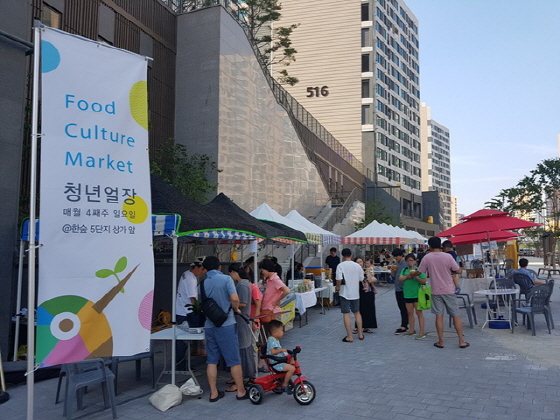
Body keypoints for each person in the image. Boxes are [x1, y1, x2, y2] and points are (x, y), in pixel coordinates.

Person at [408, 237, 469, 349]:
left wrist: (412, 274)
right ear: (440, 245)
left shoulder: (427, 257)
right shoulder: (448, 256)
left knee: (439, 316)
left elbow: (420, 271)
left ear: (429, 246)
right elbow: (458, 270)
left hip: (436, 291)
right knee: (455, 315)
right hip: (449, 290)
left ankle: (441, 341)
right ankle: (461, 341)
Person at [201, 256, 248, 402]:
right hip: (226, 324)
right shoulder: (226, 280)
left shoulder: (201, 284)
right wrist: (236, 309)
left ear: (205, 269)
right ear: (219, 267)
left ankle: (213, 393)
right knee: (233, 359)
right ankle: (240, 391)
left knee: (212, 360)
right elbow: (234, 299)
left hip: (209, 325)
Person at [226, 263, 256, 391]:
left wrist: (232, 303)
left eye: (231, 274)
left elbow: (242, 303)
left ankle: (242, 379)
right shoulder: (243, 283)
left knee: (243, 348)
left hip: (242, 320)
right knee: (241, 347)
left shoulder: (242, 284)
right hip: (241, 320)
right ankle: (238, 377)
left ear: (233, 272)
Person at [175, 259, 205, 370]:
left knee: (183, 340)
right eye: (202, 269)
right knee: (182, 341)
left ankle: (182, 363)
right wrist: (199, 310)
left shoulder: (187, 274)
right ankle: (181, 365)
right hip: (185, 312)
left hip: (181, 310)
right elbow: (192, 299)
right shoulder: (191, 280)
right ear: (196, 268)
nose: (203, 272)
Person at [335, 248, 364, 342]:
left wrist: (338, 287)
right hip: (355, 292)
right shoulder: (357, 266)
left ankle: (349, 336)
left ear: (342, 256)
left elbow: (339, 279)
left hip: (344, 292)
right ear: (351, 255)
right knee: (357, 312)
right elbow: (361, 278)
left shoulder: (340, 265)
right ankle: (360, 334)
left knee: (346, 313)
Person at [399, 254, 427, 340]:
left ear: (415, 261)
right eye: (407, 261)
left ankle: (422, 331)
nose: (409, 262)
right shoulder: (404, 270)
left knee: (419, 313)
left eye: (411, 260)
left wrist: (416, 277)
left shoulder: (419, 270)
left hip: (417, 294)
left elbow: (423, 282)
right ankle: (412, 330)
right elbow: (400, 279)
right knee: (410, 313)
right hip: (407, 294)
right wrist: (407, 276)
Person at [266, 320, 296, 394]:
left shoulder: (275, 339)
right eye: (282, 330)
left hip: (279, 361)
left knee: (292, 363)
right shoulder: (272, 340)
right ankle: (285, 384)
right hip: (276, 363)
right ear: (276, 332)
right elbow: (273, 351)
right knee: (291, 369)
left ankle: (287, 380)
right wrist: (281, 350)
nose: (283, 332)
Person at [260, 258, 290, 328]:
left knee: (273, 333)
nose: (262, 272)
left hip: (272, 311)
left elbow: (287, 290)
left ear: (267, 269)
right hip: (268, 310)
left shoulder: (275, 279)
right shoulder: (269, 280)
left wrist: (277, 300)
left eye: (262, 270)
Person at [353, 257, 377, 334]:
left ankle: (367, 326)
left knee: (369, 308)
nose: (359, 263)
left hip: (368, 292)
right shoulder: (354, 271)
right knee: (359, 308)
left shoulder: (367, 270)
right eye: (357, 262)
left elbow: (373, 279)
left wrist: (369, 280)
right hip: (358, 291)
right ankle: (357, 326)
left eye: (361, 262)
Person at [391, 248, 409, 334]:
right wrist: (392, 271)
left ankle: (404, 325)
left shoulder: (405, 264)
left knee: (404, 307)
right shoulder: (396, 263)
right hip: (397, 288)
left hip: (404, 288)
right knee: (401, 307)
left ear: (401, 255)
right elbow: (393, 276)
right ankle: (405, 323)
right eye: (394, 257)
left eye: (396, 256)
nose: (395, 258)